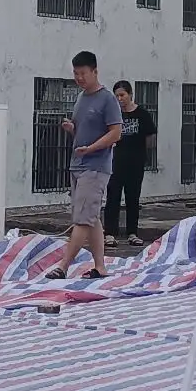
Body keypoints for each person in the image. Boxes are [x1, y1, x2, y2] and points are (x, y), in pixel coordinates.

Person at [49, 50, 123, 279]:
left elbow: (116, 133)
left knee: (82, 218)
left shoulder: (108, 99)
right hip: (78, 165)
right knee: (91, 218)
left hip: (96, 166)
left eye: (83, 73)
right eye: (75, 73)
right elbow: (85, 130)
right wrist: (73, 130)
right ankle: (100, 266)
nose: (79, 78)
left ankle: (63, 266)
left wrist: (91, 148)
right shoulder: (81, 98)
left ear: (95, 72)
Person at [104, 80, 157, 248]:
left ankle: (132, 233)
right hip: (115, 162)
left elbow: (150, 137)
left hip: (135, 162)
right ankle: (110, 233)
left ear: (130, 95)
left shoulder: (142, 114)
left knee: (133, 198)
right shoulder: (114, 115)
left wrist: (140, 152)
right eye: (117, 96)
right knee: (113, 198)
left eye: (122, 95)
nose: (120, 99)